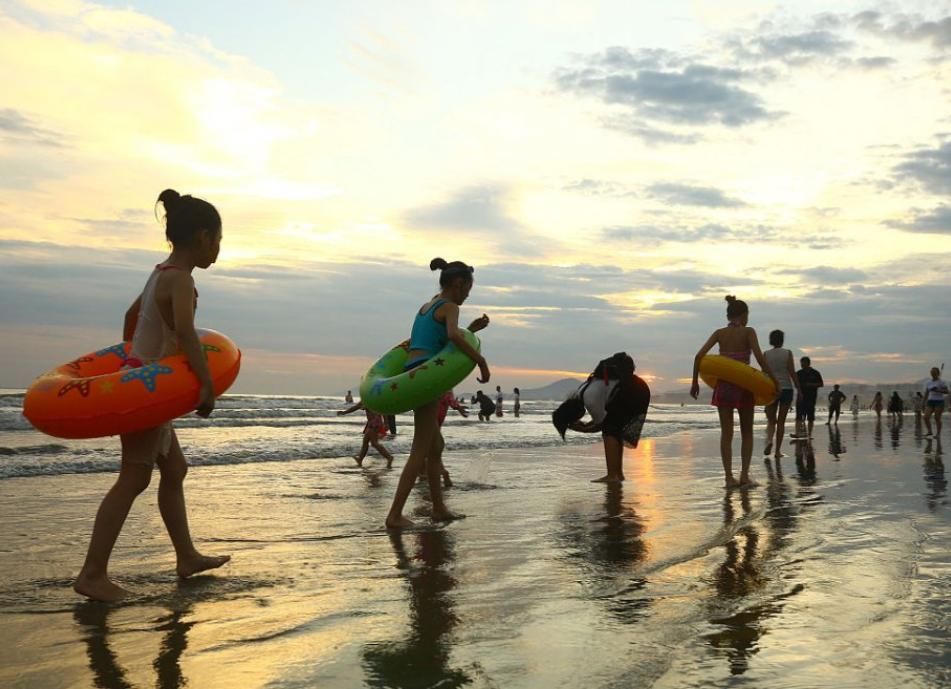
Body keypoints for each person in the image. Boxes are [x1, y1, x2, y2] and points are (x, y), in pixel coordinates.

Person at [74, 189, 230, 602]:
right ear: (201, 237)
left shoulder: (159, 272)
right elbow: (184, 335)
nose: (218, 248)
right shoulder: (181, 280)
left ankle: (187, 556)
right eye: (217, 239)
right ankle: (92, 574)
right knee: (134, 476)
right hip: (146, 393)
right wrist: (205, 386)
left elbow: (131, 317)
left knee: (174, 469)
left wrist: (136, 361)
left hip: (143, 382)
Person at [385, 258, 490, 528]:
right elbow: (453, 336)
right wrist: (480, 360)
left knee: (436, 445)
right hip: (426, 378)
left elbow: (434, 336)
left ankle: (439, 508)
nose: (468, 294)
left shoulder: (427, 306)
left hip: (414, 371)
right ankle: (394, 515)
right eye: (468, 288)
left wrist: (473, 329)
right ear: (459, 283)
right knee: (420, 449)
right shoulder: (451, 307)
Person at [690, 296, 776, 489]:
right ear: (744, 315)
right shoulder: (748, 332)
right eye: (747, 315)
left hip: (724, 387)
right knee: (747, 432)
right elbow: (761, 359)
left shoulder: (719, 333)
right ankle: (744, 475)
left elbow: (698, 356)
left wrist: (694, 382)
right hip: (744, 386)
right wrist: (773, 380)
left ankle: (729, 478)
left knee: (726, 433)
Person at [553, 352, 651, 483]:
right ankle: (617, 474)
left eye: (573, 421)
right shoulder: (581, 391)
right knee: (615, 428)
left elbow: (601, 424)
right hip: (637, 386)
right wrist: (586, 426)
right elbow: (602, 419)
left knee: (609, 429)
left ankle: (613, 475)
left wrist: (583, 429)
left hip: (634, 391)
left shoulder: (590, 399)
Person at [419, 389, 469, 488]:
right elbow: (451, 400)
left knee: (426, 449)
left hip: (430, 418)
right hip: (436, 419)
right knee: (429, 448)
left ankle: (443, 473)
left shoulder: (438, 385)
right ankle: (423, 475)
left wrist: (459, 408)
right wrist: (459, 408)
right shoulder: (446, 386)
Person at [763, 329, 800, 460]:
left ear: (771, 340)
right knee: (781, 422)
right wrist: (799, 388)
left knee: (771, 420)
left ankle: (769, 441)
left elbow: (764, 374)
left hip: (771, 389)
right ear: (782, 340)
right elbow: (791, 372)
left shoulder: (766, 354)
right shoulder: (787, 353)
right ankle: (777, 451)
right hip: (786, 389)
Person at [338, 401, 394, 468]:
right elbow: (382, 410)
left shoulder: (367, 399)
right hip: (374, 422)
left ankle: (389, 457)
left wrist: (344, 412)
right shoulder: (372, 398)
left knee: (374, 443)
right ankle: (360, 459)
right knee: (366, 441)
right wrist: (386, 422)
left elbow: (355, 407)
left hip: (374, 423)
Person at [794, 357, 824, 439]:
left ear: (808, 363)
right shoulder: (799, 373)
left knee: (810, 417)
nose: (802, 366)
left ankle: (810, 434)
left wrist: (811, 385)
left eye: (803, 364)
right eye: (801, 364)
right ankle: (797, 433)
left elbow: (821, 384)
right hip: (800, 397)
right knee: (798, 416)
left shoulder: (815, 373)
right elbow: (795, 384)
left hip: (811, 398)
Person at [923, 367, 948, 437]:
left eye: (934, 373)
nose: (933, 374)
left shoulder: (941, 382)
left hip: (939, 401)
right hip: (930, 401)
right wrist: (923, 402)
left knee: (937, 418)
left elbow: (947, 391)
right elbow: (926, 393)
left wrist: (938, 390)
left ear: (938, 373)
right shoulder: (928, 382)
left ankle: (938, 434)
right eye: (932, 373)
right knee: (925, 417)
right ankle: (929, 431)